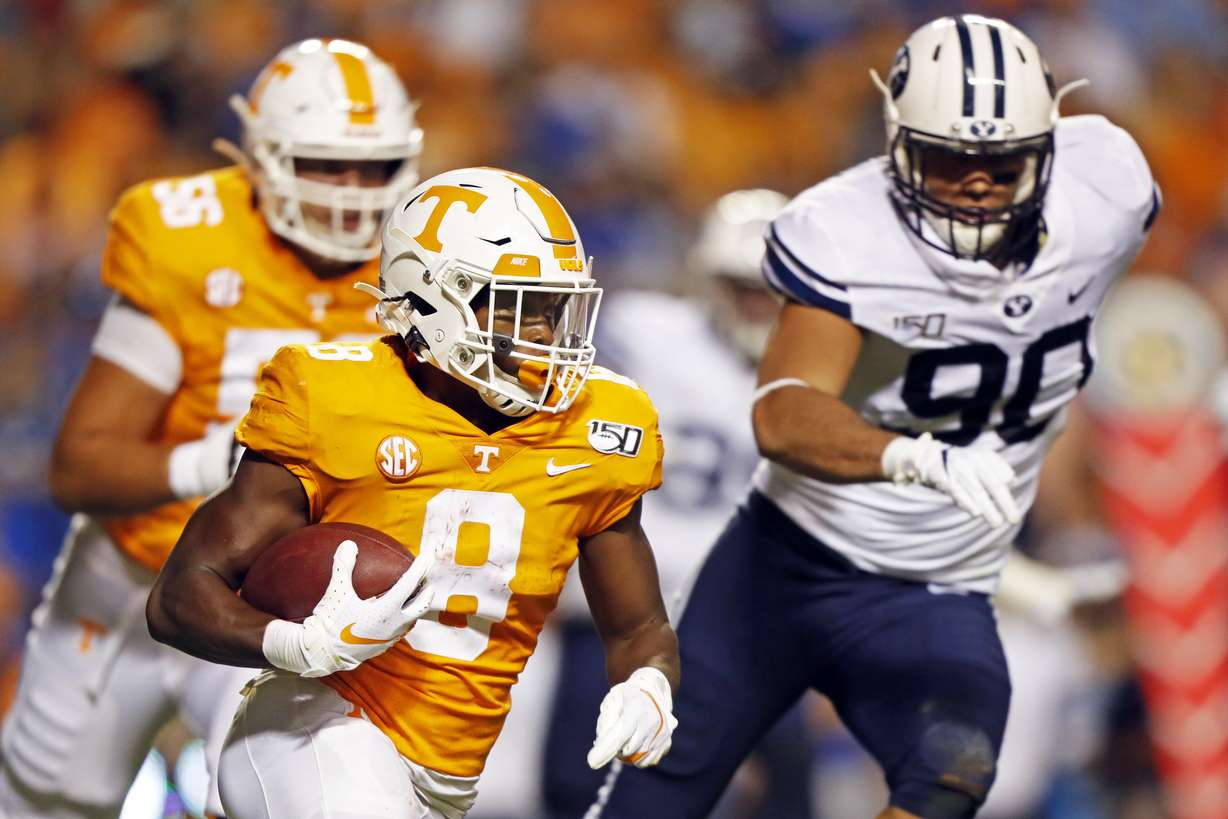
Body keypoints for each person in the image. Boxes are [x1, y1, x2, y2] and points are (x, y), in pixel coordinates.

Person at [590, 14, 1159, 819]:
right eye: (948, 156)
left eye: (1001, 160)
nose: (975, 182)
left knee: (952, 774)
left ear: (1048, 144)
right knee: (652, 790)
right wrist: (918, 458)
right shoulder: (846, 231)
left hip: (935, 582)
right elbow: (784, 414)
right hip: (786, 563)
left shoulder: (1109, 190)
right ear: (896, 140)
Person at [145, 166, 681, 819]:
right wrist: (295, 642)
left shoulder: (602, 426)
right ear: (430, 301)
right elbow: (178, 596)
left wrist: (649, 684)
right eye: (518, 305)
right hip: (311, 725)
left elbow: (640, 627)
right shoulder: (335, 397)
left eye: (553, 307)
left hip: (443, 775)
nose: (543, 333)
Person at [0, 38, 423, 819]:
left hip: (279, 596)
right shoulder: (191, 241)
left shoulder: (423, 265)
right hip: (134, 578)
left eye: (377, 168)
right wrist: (219, 460)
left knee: (304, 800)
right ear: (260, 159)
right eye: (326, 164)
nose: (355, 193)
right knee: (49, 796)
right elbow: (80, 466)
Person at [539, 188, 816, 819]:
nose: (756, 303)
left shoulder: (817, 374)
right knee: (578, 786)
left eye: (770, 289)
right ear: (706, 277)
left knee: (792, 780)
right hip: (620, 602)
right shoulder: (644, 334)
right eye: (741, 285)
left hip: (742, 617)